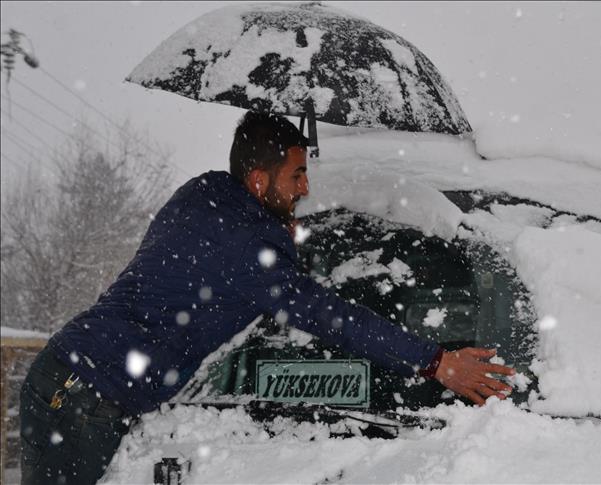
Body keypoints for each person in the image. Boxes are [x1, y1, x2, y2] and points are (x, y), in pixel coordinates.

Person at [18, 111, 515, 485]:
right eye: (296, 175)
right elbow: (331, 316)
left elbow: (222, 257)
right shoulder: (251, 249)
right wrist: (435, 362)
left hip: (73, 375)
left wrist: (274, 228)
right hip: (83, 397)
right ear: (259, 180)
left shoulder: (203, 193)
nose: (306, 186)